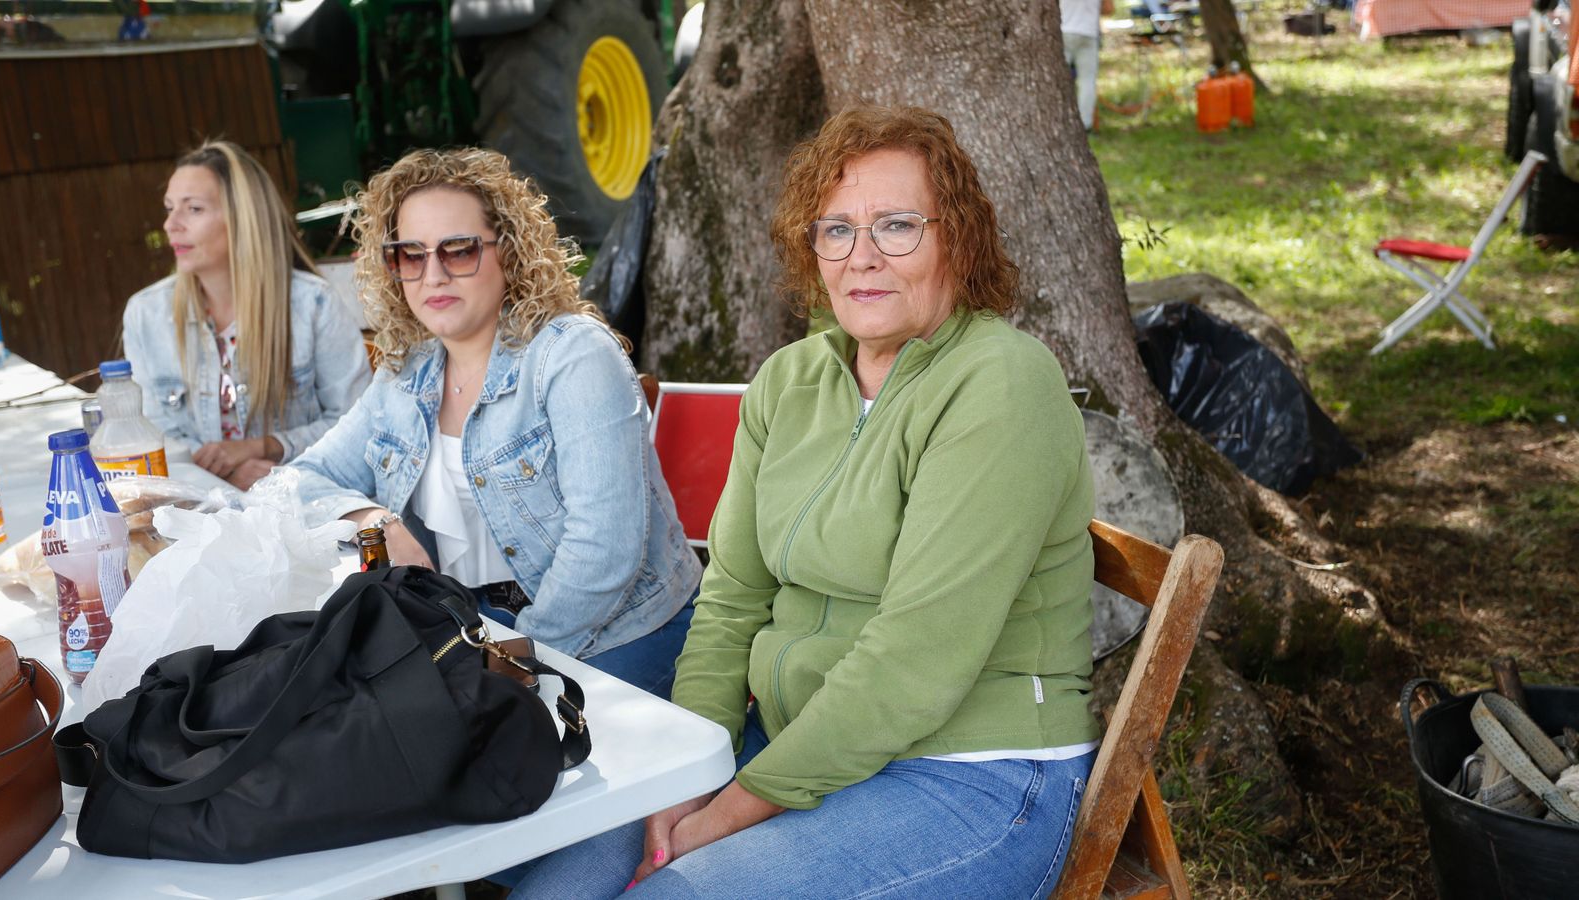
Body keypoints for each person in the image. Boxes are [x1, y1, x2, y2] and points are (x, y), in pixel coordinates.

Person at [517, 105, 1101, 899]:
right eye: (837, 230)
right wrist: (689, 769)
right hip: (792, 744)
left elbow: (915, 660)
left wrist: (723, 814)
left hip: (967, 774)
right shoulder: (790, 381)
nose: (863, 257)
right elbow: (731, 600)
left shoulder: (1001, 385)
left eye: (898, 226)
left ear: (957, 240)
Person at [288, 147, 701, 698]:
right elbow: (298, 482)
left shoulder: (572, 355)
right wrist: (376, 519)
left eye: (458, 250)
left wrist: (511, 658)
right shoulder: (406, 375)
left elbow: (605, 550)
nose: (433, 274)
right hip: (471, 625)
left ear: (507, 251)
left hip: (619, 630)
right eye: (410, 255)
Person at [122, 140, 371, 490]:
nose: (170, 224)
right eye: (169, 208)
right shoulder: (145, 314)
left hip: (305, 501)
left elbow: (358, 424)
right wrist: (225, 473)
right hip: (199, 508)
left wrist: (266, 446)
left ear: (243, 218)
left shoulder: (313, 304)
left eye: (193, 209)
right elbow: (153, 432)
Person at [1062, 0, 1116, 131]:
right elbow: (1109, 9)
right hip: (1088, 32)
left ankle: (1060, 119)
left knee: (1059, 80)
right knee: (1087, 81)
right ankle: (1085, 123)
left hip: (1064, 30)